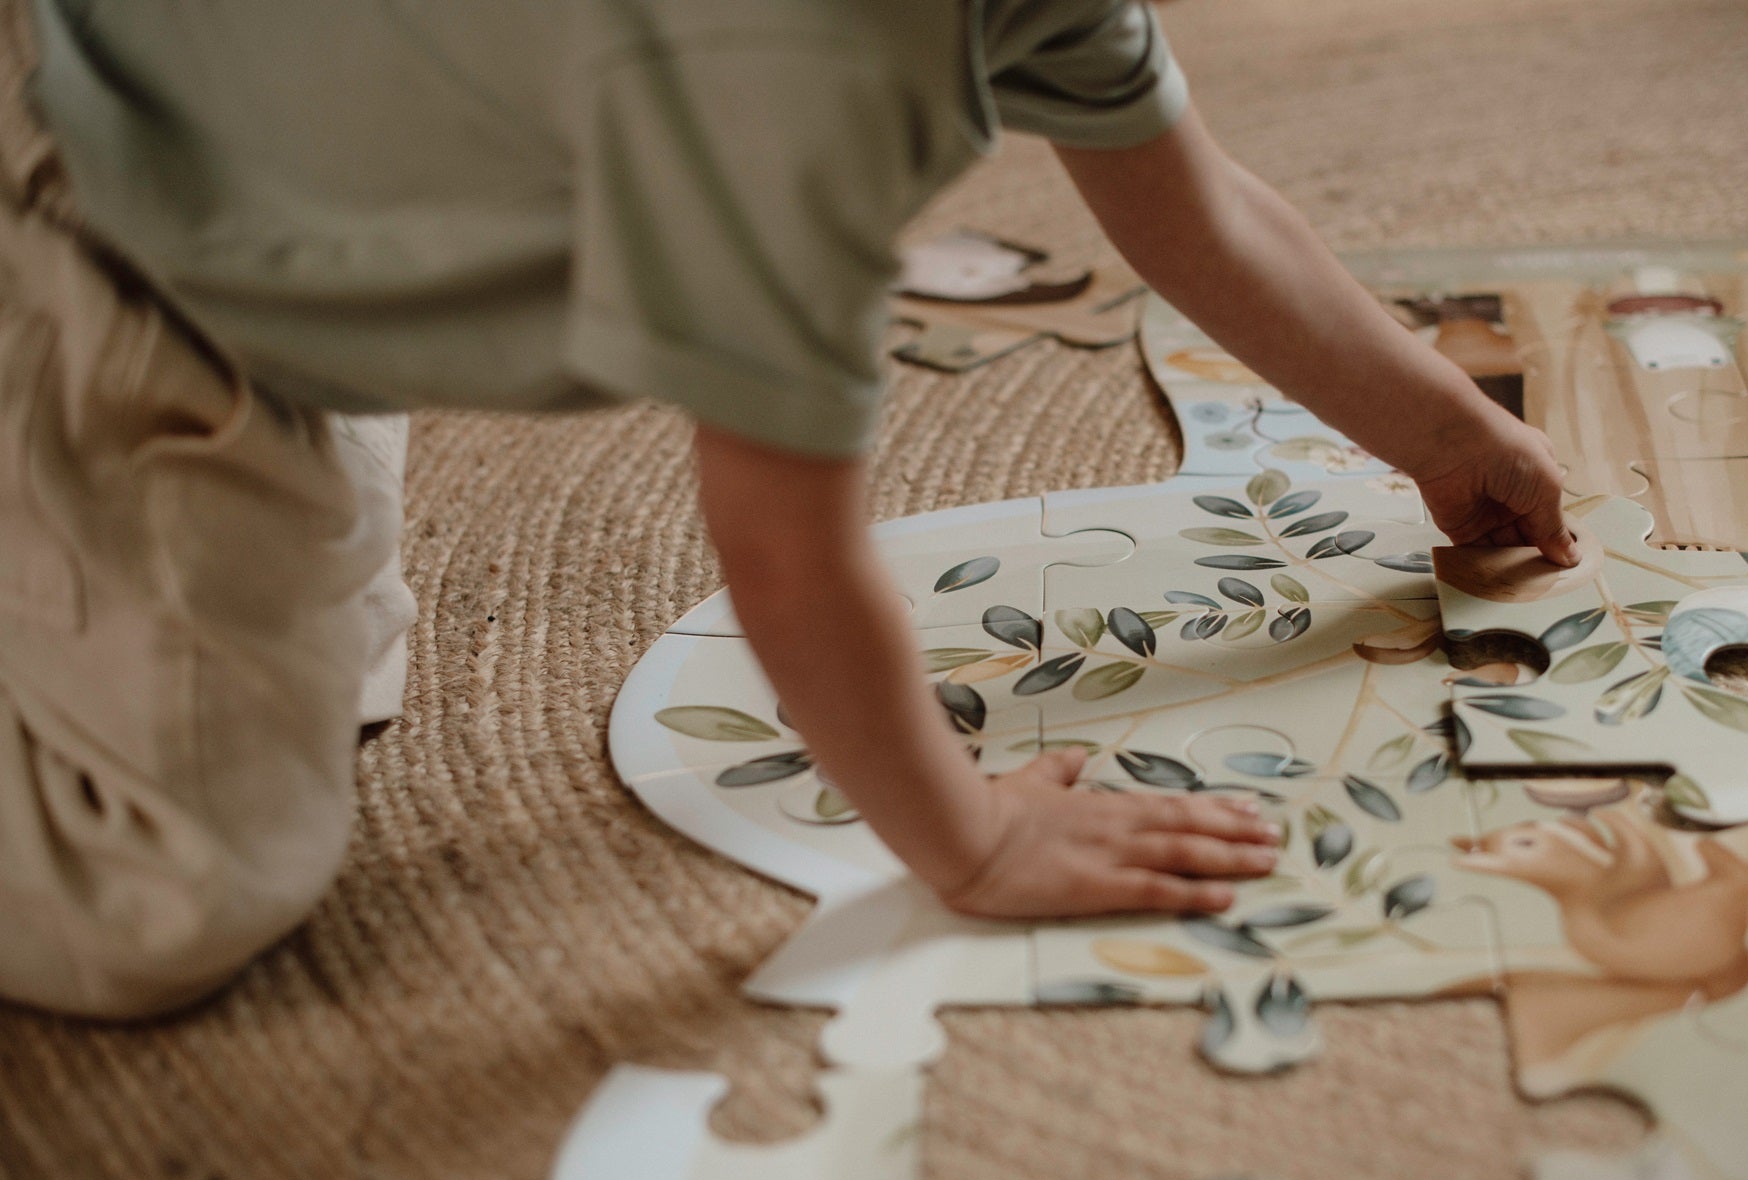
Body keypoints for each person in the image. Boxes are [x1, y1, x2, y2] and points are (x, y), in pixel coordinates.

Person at [0, 0, 1574, 1019]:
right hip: (117, 217)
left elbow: (1202, 203)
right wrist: (970, 841)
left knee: (319, 642)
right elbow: (779, 544)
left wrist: (1437, 426)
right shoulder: (798, 69)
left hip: (286, 147)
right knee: (176, 881)